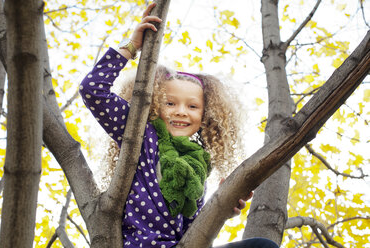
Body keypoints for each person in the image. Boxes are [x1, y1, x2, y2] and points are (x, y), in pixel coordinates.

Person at [80, 3, 279, 248]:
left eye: (192, 106)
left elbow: (193, 231)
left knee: (262, 246)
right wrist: (132, 46)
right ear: (154, 106)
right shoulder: (140, 134)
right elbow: (93, 90)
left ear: (206, 116)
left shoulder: (197, 163)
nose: (181, 112)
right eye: (170, 103)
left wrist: (221, 207)